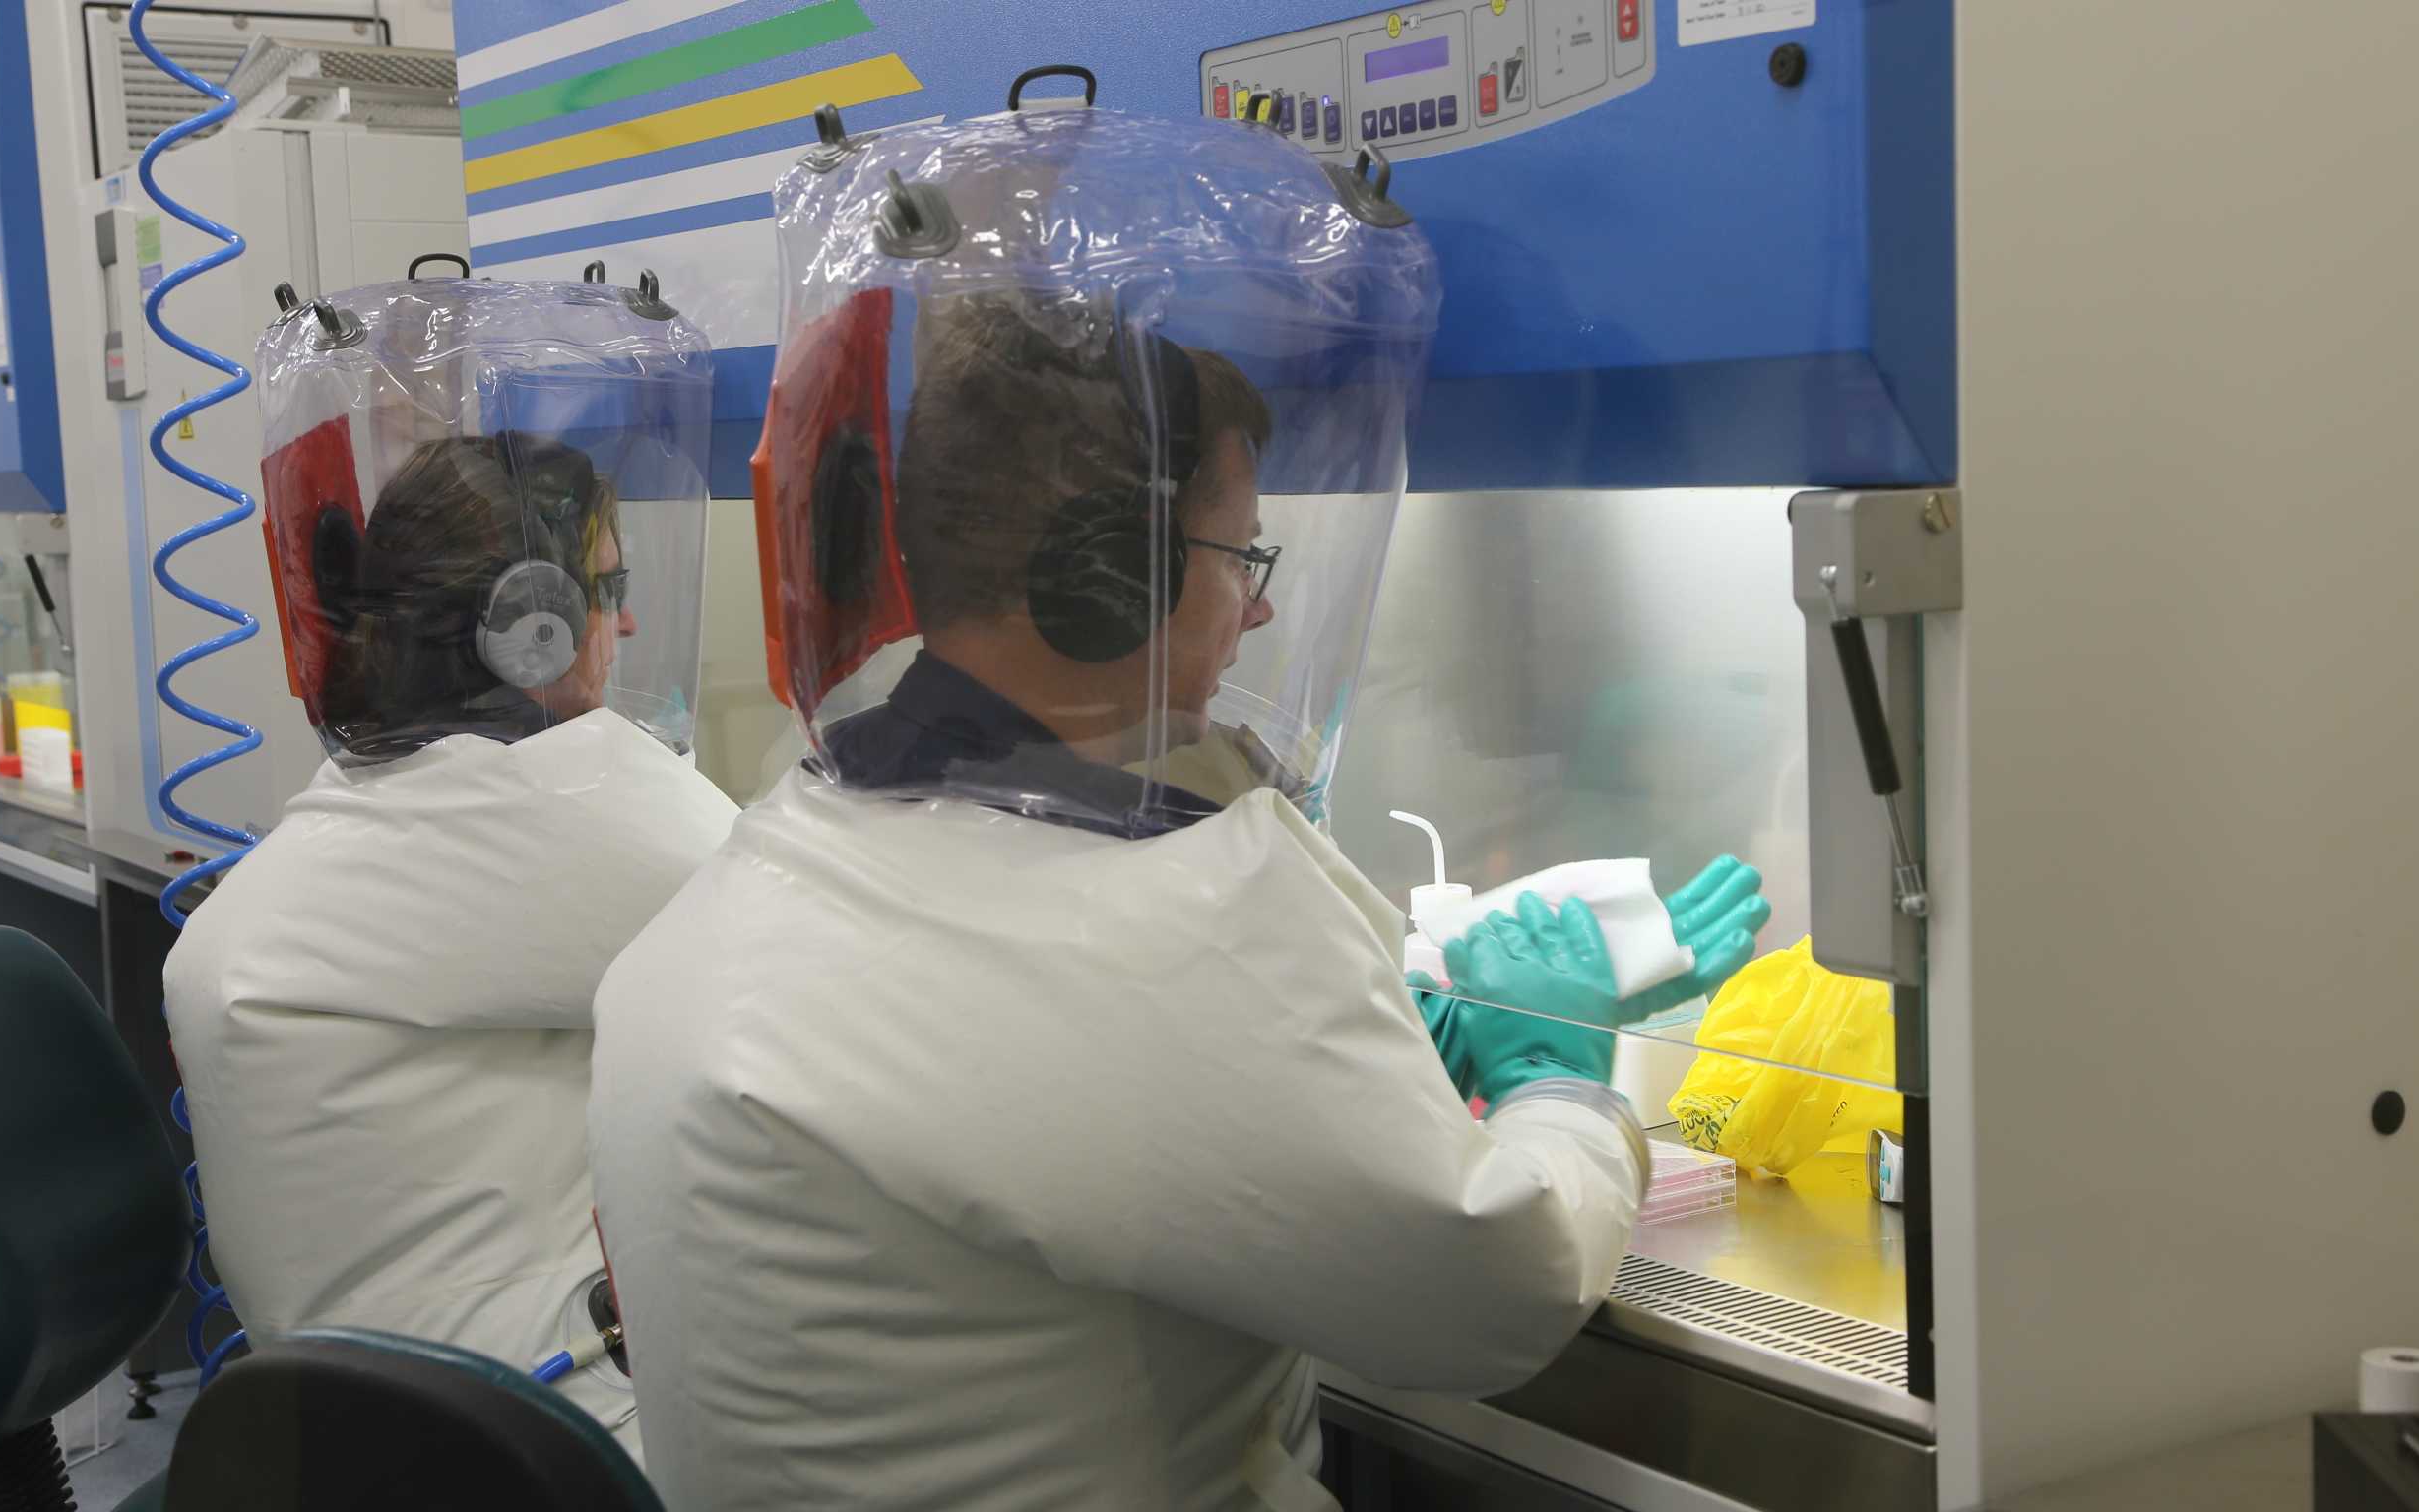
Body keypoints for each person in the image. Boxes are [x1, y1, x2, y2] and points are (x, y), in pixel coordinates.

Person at [589, 107, 1767, 1510]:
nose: (1261, 604)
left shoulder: (791, 848)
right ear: (1105, 578)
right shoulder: (1152, 920)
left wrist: (1376, 1017)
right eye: (1236, 554)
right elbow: (1489, 1295)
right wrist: (1561, 1078)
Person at [165, 417, 734, 1455]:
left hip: (340, 1440)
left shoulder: (370, 795)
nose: (633, 620)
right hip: (535, 1441)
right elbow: (795, 939)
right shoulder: (556, 815)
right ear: (536, 628)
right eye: (605, 590)